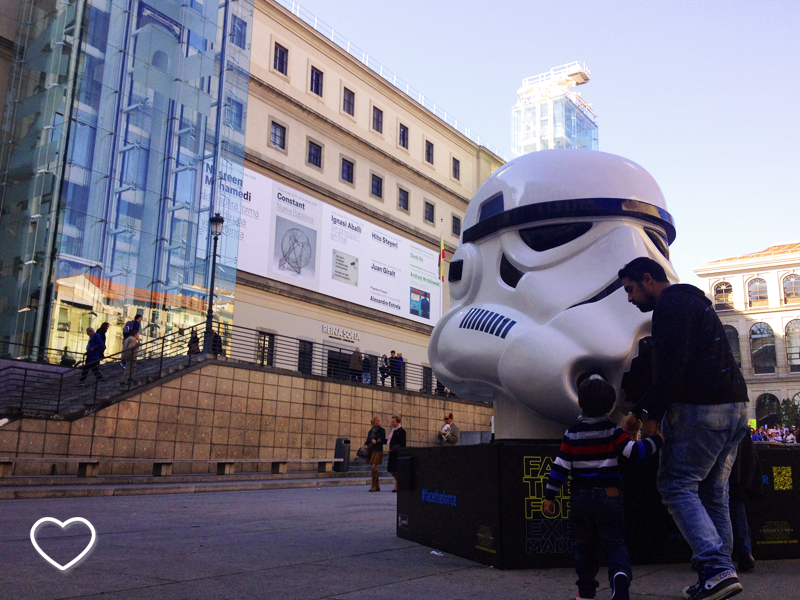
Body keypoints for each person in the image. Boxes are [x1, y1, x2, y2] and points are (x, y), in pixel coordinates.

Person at [618, 257, 748, 600]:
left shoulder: (670, 306)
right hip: (736, 407)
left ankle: (716, 568)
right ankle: (721, 571)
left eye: (630, 289)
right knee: (713, 493)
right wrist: (644, 408)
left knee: (675, 484)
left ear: (648, 279)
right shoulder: (693, 302)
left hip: (703, 408)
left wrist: (647, 414)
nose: (629, 298)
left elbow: (672, 371)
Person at [544, 376, 665, 600]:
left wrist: (549, 496)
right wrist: (656, 440)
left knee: (583, 546)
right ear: (610, 405)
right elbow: (634, 453)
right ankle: (619, 575)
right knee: (614, 543)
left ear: (580, 403)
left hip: (580, 497)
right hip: (610, 495)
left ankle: (586, 591)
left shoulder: (572, 433)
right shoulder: (613, 431)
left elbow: (559, 467)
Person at [728, 433, 762, 573]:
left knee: (713, 506)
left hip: (721, 466)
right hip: (738, 470)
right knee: (736, 505)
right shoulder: (740, 417)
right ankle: (745, 552)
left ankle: (716, 557)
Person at [364, 416, 386, 492]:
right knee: (373, 468)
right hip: (371, 450)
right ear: (373, 422)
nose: (377, 422)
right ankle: (377, 485)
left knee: (374, 466)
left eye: (379, 420)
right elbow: (367, 441)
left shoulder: (382, 430)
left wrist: (377, 441)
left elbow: (383, 440)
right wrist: (371, 441)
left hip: (378, 450)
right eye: (376, 420)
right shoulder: (370, 431)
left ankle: (373, 485)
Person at [386, 415, 406, 493]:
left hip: (397, 453)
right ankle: (399, 481)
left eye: (393, 421)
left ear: (398, 422)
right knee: (391, 469)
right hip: (392, 452)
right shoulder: (393, 431)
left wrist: (398, 450)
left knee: (396, 469)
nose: (392, 423)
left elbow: (402, 444)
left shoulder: (401, 431)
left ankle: (397, 485)